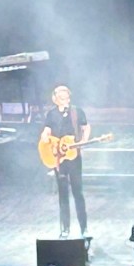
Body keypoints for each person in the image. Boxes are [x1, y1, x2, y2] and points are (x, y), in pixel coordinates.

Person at [39, 85, 90, 239]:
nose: (65, 100)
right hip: (58, 158)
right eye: (61, 98)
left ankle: (84, 228)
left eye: (66, 97)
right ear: (55, 99)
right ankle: (65, 229)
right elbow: (47, 130)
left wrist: (83, 141)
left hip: (74, 157)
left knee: (78, 192)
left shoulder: (76, 111)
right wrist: (44, 136)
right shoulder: (51, 114)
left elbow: (86, 127)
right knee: (63, 194)